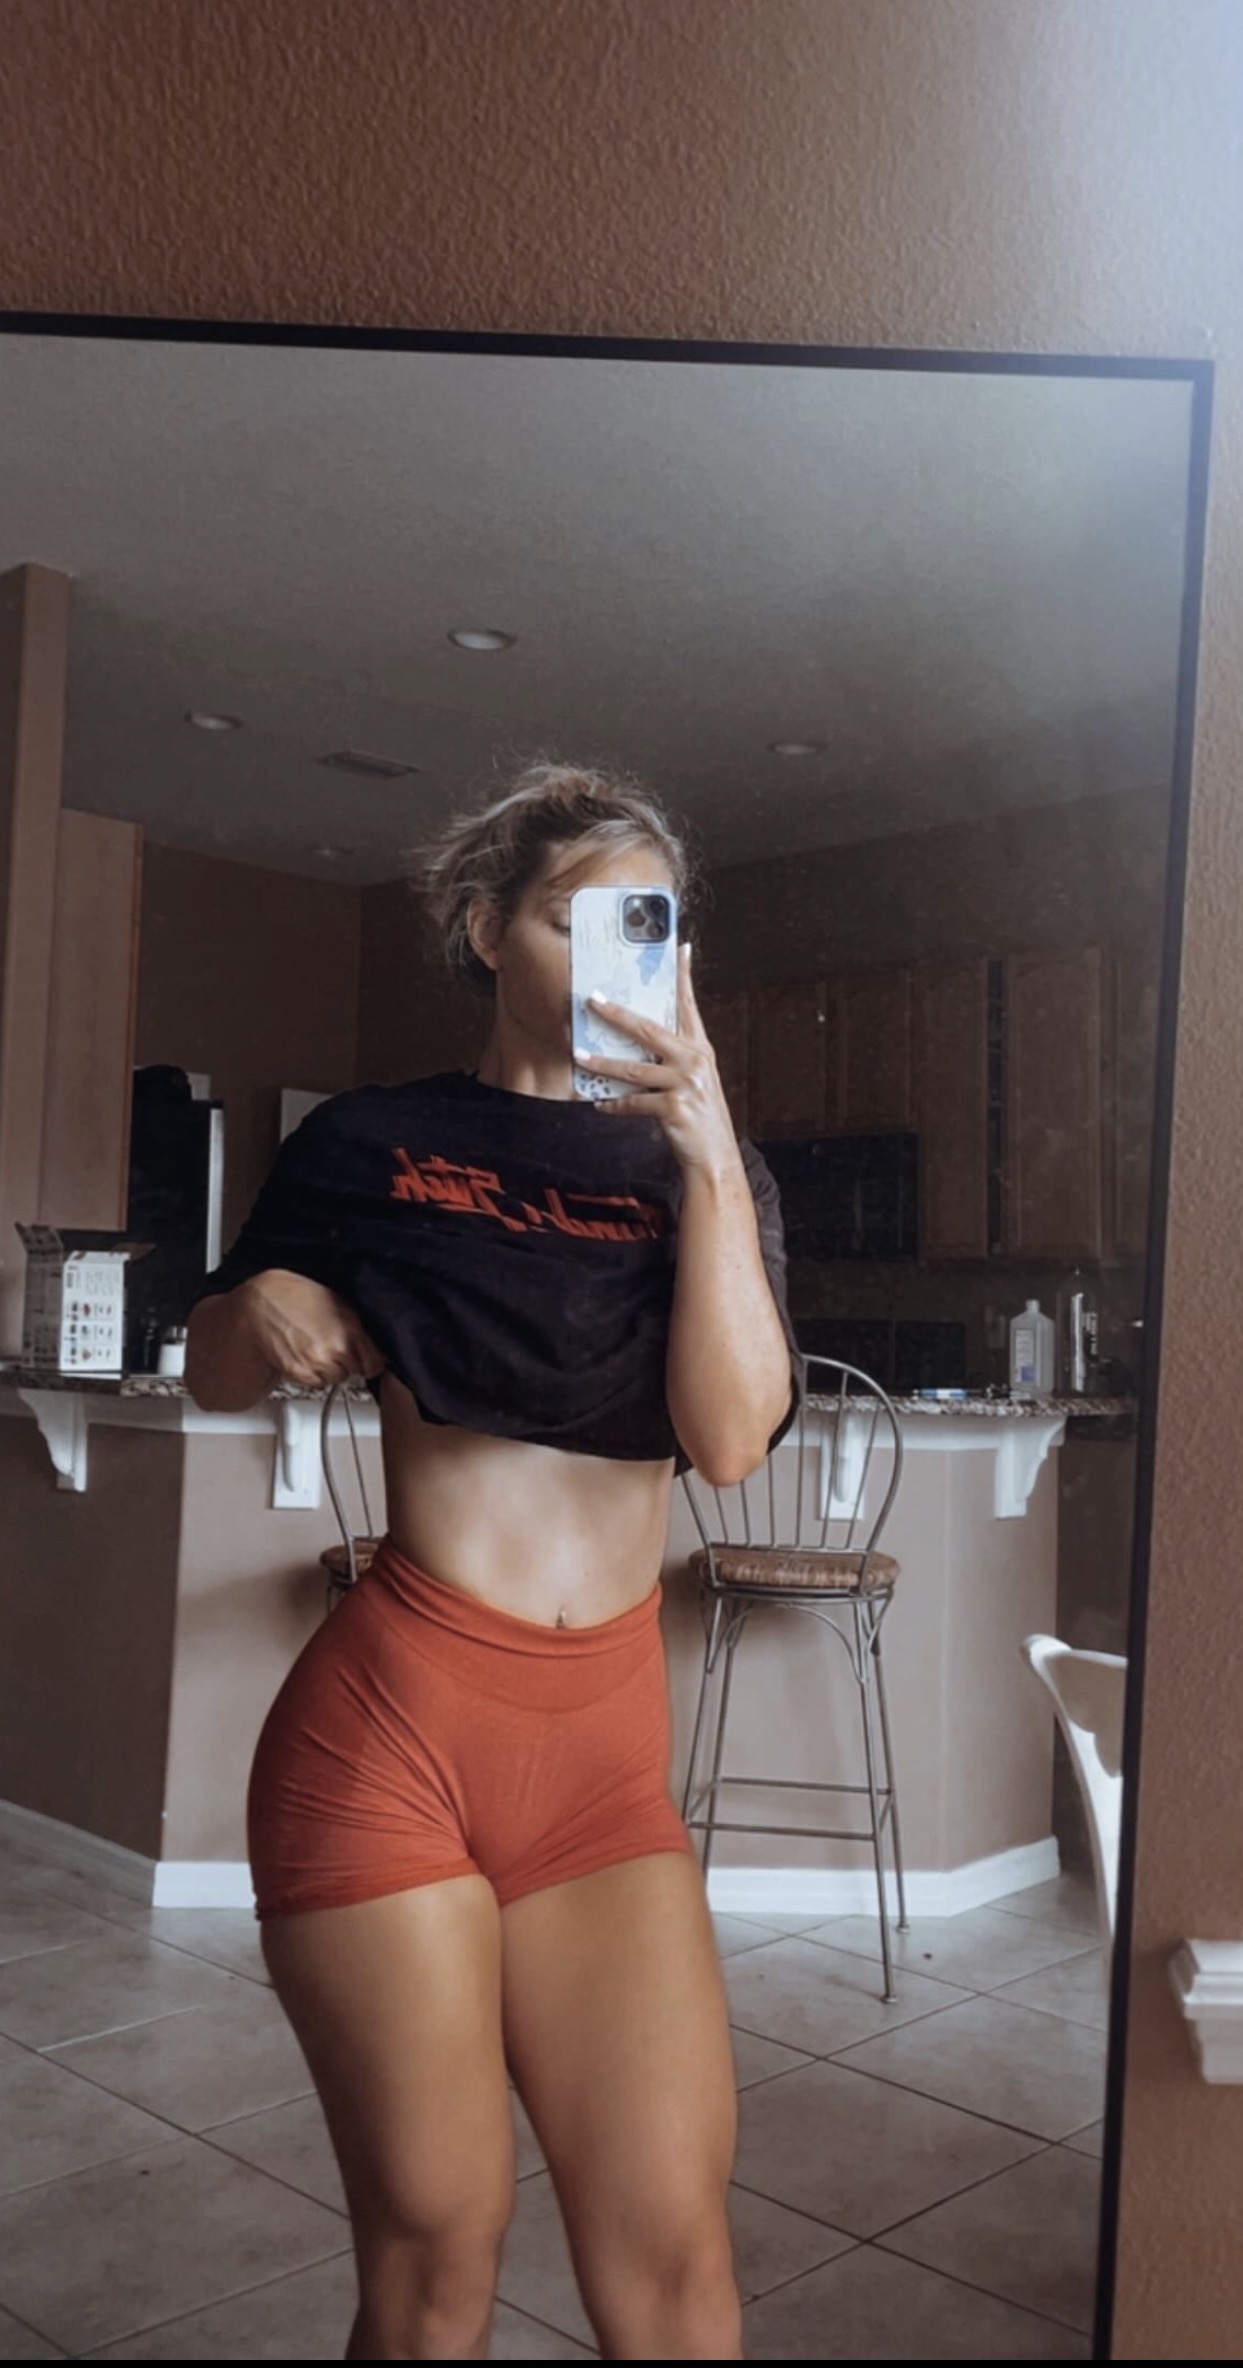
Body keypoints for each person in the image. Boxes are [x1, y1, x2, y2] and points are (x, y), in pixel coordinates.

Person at [185, 761, 797, 2363]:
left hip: (601, 1767)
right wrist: (251, 1308)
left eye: (649, 921)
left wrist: (710, 1155)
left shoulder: (703, 1173)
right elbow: (210, 1370)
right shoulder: (373, 1141)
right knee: (437, 2254)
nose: (618, 952)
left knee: (676, 2268)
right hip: (390, 1733)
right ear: (484, 930)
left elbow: (732, 1439)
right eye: (575, 914)